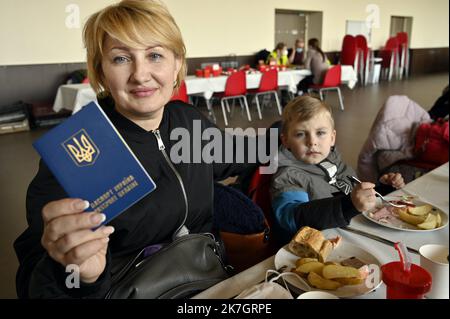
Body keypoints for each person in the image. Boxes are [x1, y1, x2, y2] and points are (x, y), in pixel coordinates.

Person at [14, 0, 258, 299]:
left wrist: (286, 138)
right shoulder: (78, 148)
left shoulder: (187, 120)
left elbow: (234, 153)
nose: (140, 75)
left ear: (177, 63)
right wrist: (75, 274)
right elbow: (33, 279)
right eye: (120, 59)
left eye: (155, 55)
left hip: (210, 279)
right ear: (101, 72)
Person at [270, 96, 405, 244]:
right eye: (300, 134)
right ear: (286, 141)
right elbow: (293, 218)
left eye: (320, 133)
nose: (312, 142)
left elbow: (354, 197)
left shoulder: (334, 163)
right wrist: (349, 205)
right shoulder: (288, 175)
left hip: (354, 234)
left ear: (332, 137)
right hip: (313, 247)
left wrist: (383, 190)